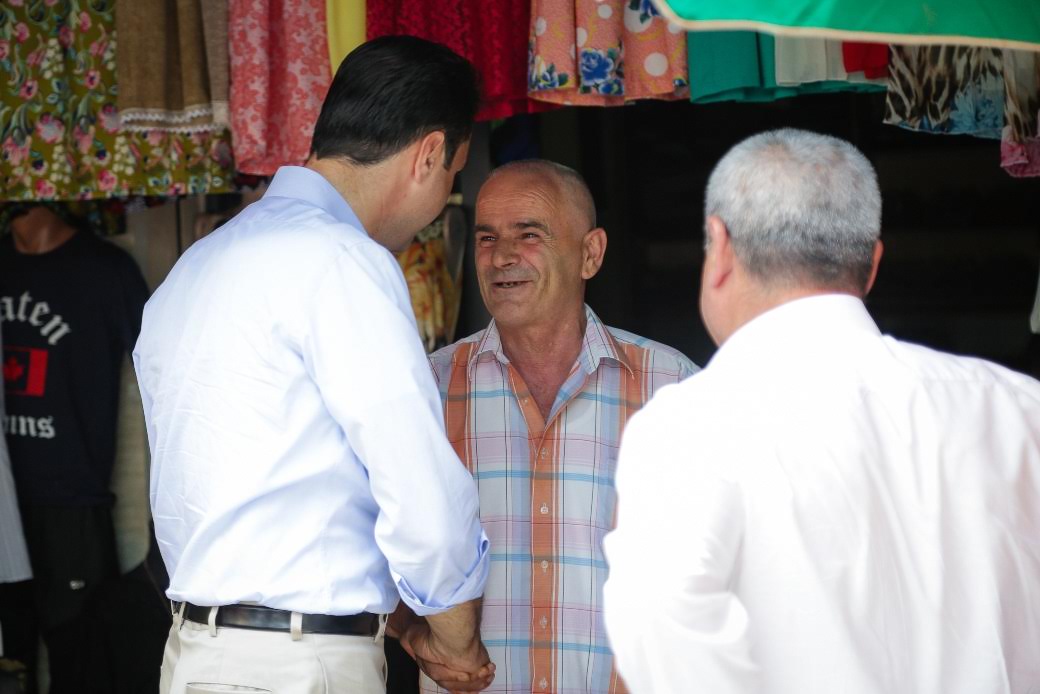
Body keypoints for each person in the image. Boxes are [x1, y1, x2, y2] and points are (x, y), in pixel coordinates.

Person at [603, 129, 1040, 693]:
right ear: (873, 263)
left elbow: (665, 640)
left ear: (720, 247)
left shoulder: (688, 428)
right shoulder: (1015, 407)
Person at [134, 37, 495, 694]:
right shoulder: (343, 262)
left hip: (196, 655)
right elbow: (418, 490)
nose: (444, 199)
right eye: (453, 176)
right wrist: (454, 639)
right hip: (294, 665)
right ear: (430, 154)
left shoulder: (193, 270)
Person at [407, 160, 697, 693]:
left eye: (529, 235)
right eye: (488, 237)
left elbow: (728, 564)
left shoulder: (671, 388)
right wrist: (411, 633)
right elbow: (379, 552)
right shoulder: (427, 390)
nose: (502, 256)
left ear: (591, 254)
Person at [0, 203, 149, 694]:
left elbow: (164, 373)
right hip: (4, 507)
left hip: (73, 509)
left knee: (82, 668)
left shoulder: (105, 270)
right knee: (9, 666)